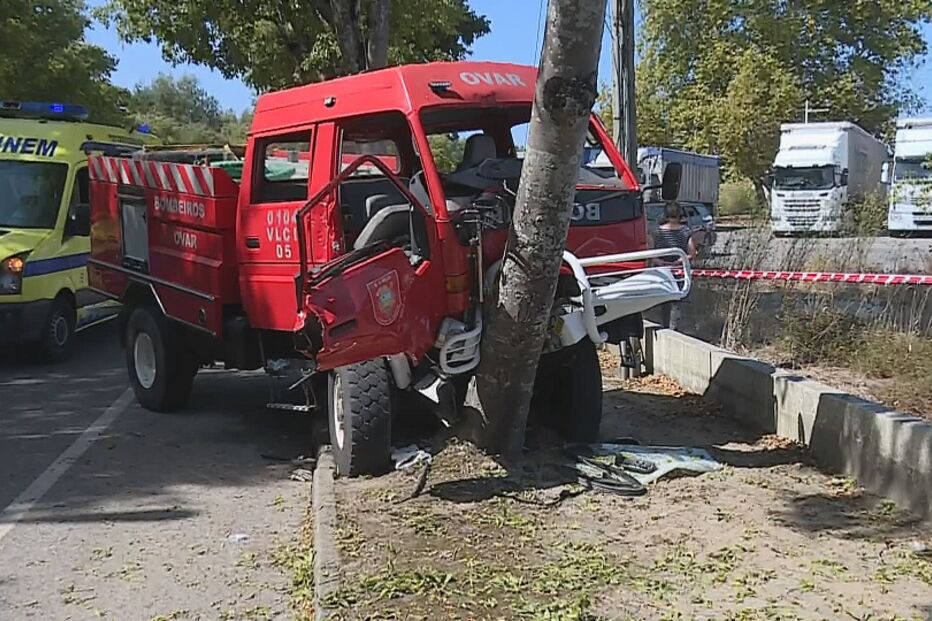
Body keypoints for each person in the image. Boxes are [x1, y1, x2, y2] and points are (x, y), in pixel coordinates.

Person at [650, 201, 697, 330]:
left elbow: (651, 253)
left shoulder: (657, 232)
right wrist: (679, 261)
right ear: (679, 214)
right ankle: (674, 329)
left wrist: (661, 262)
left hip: (663, 272)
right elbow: (692, 253)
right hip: (680, 272)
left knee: (664, 300)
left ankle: (665, 327)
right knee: (678, 300)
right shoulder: (686, 232)